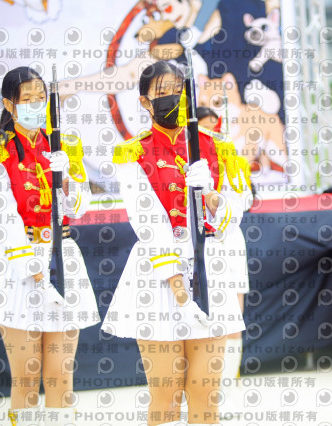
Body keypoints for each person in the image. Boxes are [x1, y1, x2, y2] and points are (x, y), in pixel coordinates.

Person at [101, 60, 247, 426]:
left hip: (208, 269)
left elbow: (238, 204)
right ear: (145, 102)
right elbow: (146, 219)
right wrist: (179, 290)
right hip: (160, 277)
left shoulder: (216, 145)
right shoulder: (133, 152)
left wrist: (213, 197)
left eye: (177, 90)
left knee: (206, 396)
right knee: (166, 398)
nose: (171, 98)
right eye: (161, 92)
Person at [0, 66, 100, 426]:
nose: (35, 104)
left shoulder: (64, 144)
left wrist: (69, 179)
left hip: (62, 253)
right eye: (26, 98)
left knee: (60, 374)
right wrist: (34, 270)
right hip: (20, 262)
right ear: (9, 104)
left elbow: (80, 208)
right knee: (27, 375)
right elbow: (1, 215)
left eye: (40, 97)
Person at [198, 105, 252, 416]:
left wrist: (217, 198)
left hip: (228, 241)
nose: (211, 132)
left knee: (233, 318)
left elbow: (246, 199)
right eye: (204, 127)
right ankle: (203, 390)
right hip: (195, 246)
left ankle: (228, 389)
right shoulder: (180, 158)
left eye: (214, 126)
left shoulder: (230, 156)